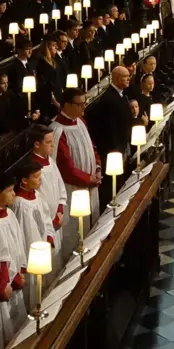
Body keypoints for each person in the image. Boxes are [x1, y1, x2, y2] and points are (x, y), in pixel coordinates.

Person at [50, 88, 101, 251]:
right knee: (76, 234)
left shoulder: (80, 122)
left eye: (84, 103)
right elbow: (65, 168)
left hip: (90, 183)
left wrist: (98, 167)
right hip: (73, 190)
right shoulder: (57, 130)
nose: (83, 108)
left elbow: (91, 147)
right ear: (66, 105)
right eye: (79, 104)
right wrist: (89, 180)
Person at [0, 174, 28, 345]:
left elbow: (19, 244)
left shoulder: (10, 215)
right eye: (10, 190)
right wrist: (3, 282)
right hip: (1, 284)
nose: (14, 194)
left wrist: (20, 270)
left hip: (14, 278)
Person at [12, 161, 55, 306]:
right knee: (32, 294)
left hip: (42, 250)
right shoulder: (19, 203)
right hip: (30, 257)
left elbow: (46, 217)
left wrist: (49, 237)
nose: (40, 179)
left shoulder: (36, 195)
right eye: (36, 177)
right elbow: (21, 234)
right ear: (24, 180)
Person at [29, 124, 67, 271]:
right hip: (45, 227)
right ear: (37, 144)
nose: (53, 145)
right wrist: (49, 221)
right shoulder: (33, 170)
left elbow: (59, 187)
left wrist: (59, 210)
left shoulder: (50, 161)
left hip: (56, 220)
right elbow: (37, 200)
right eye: (49, 142)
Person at [89, 65, 134, 164]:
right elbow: (110, 127)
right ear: (118, 78)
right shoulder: (110, 98)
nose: (129, 78)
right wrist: (115, 150)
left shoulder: (119, 94)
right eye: (125, 76)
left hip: (122, 144)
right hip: (115, 149)